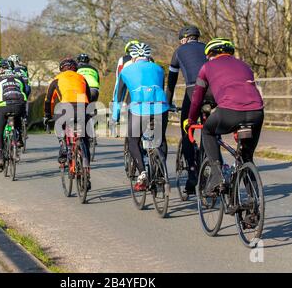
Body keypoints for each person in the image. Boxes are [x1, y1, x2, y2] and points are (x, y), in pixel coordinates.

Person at [185, 38, 264, 196]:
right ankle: (253, 209)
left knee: (208, 132)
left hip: (229, 111)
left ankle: (217, 176)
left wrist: (191, 120)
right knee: (246, 158)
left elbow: (196, 98)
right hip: (256, 112)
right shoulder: (244, 65)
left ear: (211, 54)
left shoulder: (206, 67)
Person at [112, 43, 169, 191]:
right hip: (160, 108)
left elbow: (119, 96)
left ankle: (143, 173)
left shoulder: (126, 70)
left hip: (139, 108)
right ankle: (162, 173)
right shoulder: (159, 69)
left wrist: (115, 116)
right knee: (160, 139)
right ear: (148, 55)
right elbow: (161, 89)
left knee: (133, 140)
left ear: (133, 56)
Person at [166, 25, 211, 193]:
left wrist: (168, 102)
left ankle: (192, 173)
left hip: (193, 90)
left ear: (184, 39)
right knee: (210, 129)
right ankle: (210, 163)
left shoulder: (179, 51)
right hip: (212, 91)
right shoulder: (207, 48)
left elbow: (171, 81)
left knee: (187, 130)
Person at [43, 58, 92, 188]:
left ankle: (63, 144)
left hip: (65, 108)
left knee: (59, 126)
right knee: (85, 139)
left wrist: (47, 115)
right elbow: (89, 96)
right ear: (75, 68)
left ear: (61, 69)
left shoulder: (56, 79)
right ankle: (86, 167)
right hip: (82, 107)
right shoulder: (81, 78)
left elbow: (49, 100)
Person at [0, 59, 28, 172]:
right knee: (19, 120)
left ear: (1, 69)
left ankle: (0, 157)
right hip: (18, 105)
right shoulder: (18, 77)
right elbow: (24, 93)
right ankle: (19, 139)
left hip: (4, 107)